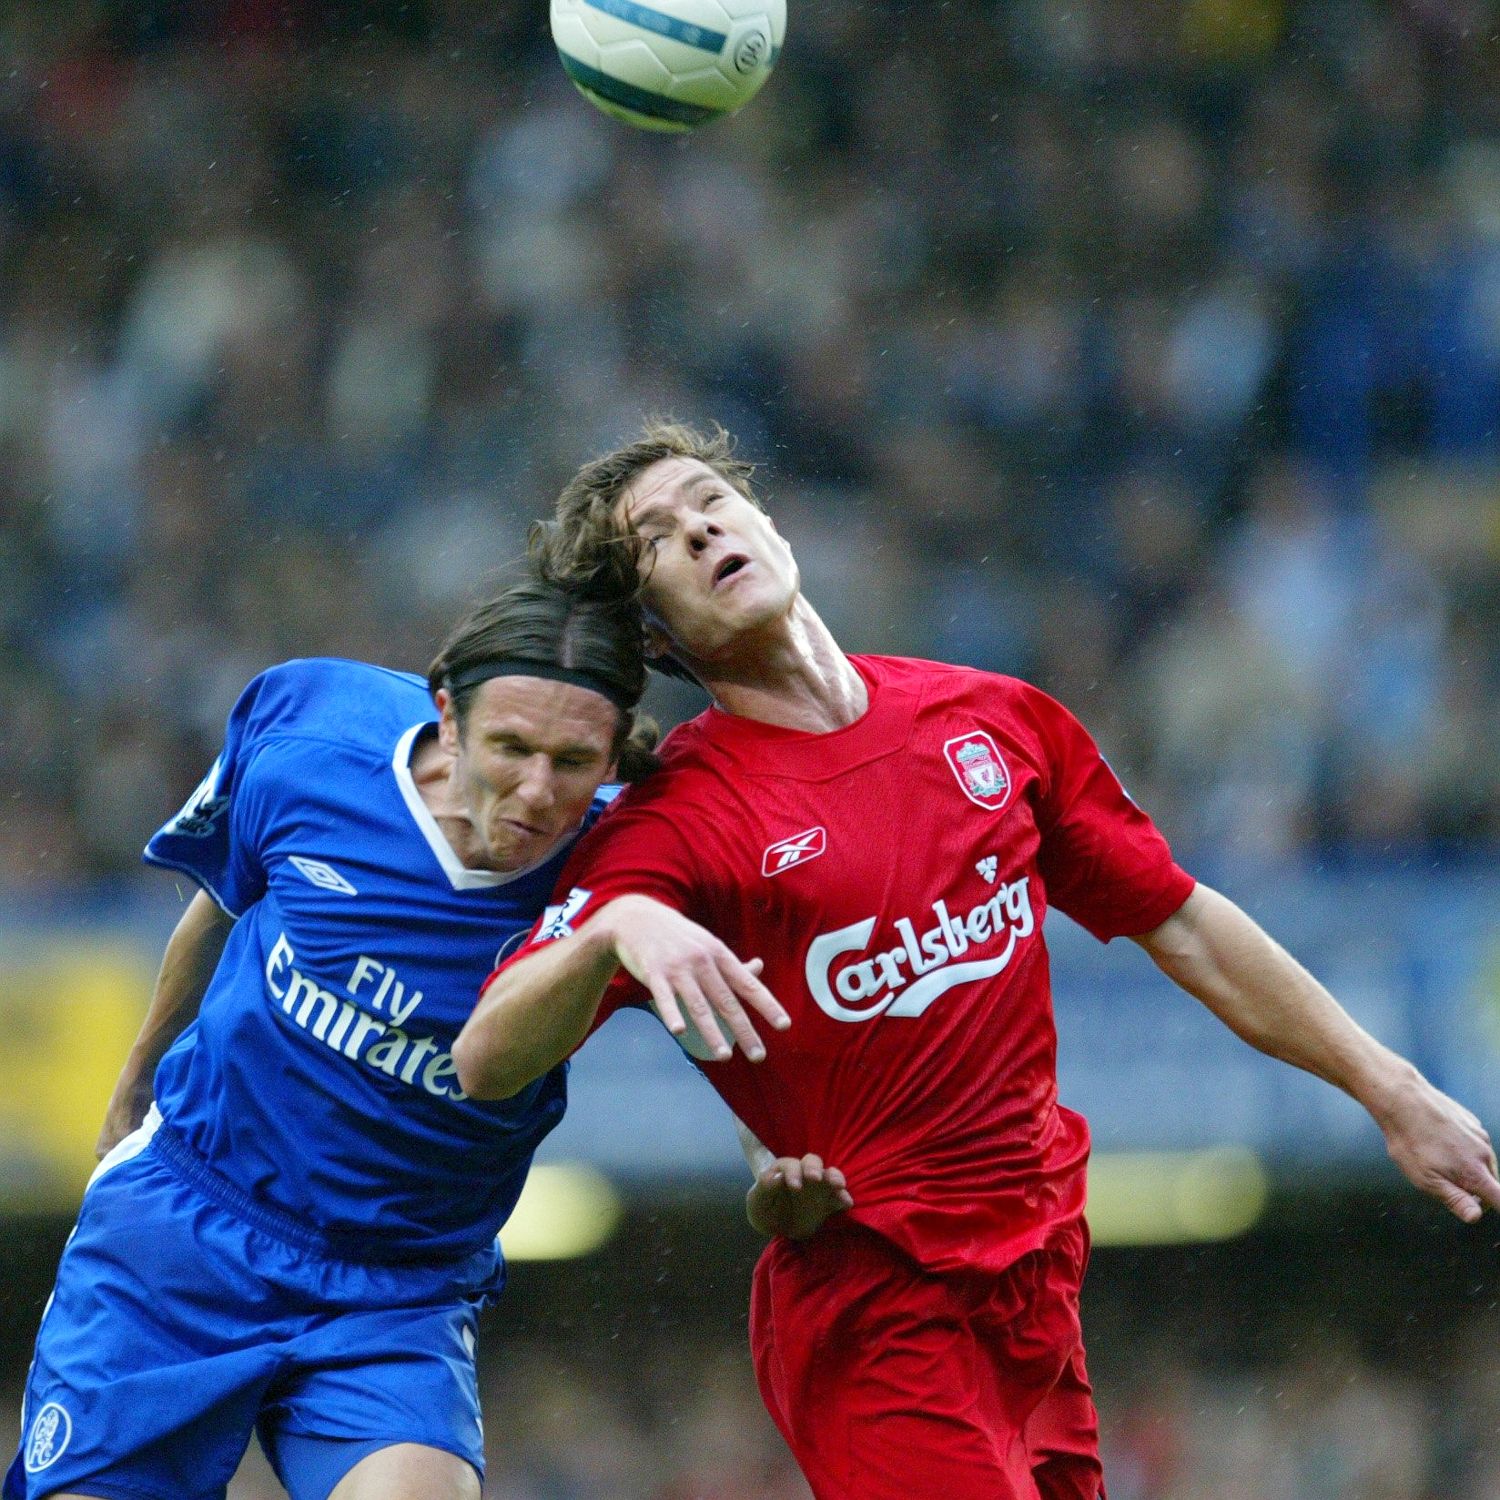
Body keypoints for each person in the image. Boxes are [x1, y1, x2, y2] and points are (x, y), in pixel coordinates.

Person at [454, 420, 1500, 1500]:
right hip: (877, 1318)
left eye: (711, 499)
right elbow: (488, 1055)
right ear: (657, 636)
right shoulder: (682, 822)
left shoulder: (987, 719)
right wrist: (616, 929)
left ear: (769, 517)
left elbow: (1180, 921)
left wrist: (1390, 1085)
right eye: (662, 540)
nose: (703, 528)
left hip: (1038, 1286)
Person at [5, 570, 783, 1500]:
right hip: (187, 1228)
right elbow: (221, 898)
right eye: (510, 746)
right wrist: (136, 1075)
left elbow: (740, 1024)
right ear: (448, 715)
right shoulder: (307, 725)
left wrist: (777, 1156)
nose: (537, 790)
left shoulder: (633, 865)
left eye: (574, 762)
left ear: (615, 755)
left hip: (396, 1288)